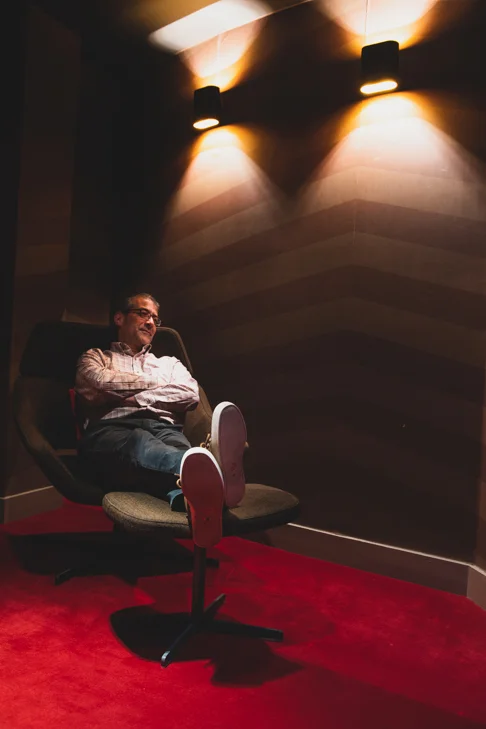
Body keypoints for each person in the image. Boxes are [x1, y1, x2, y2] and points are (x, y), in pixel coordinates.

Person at [75, 292, 247, 548]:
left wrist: (134, 397)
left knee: (176, 451)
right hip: (111, 431)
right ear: (119, 318)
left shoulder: (169, 363)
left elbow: (189, 394)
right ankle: (215, 472)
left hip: (166, 428)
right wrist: (157, 384)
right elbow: (97, 384)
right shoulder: (96, 357)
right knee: (141, 441)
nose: (150, 323)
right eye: (143, 314)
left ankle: (190, 496)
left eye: (155, 319)